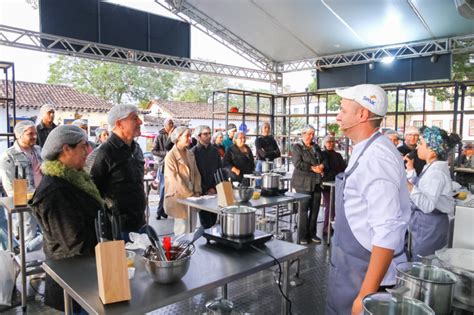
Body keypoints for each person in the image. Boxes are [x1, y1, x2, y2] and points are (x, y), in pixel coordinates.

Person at [325, 84, 410, 315]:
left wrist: (365, 295)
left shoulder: (377, 158)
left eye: (343, 110)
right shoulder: (365, 149)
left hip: (365, 276)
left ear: (362, 114)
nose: (338, 116)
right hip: (351, 269)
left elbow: (387, 231)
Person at [29, 125, 102, 312]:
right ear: (66, 149)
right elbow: (72, 242)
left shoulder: (74, 179)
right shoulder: (56, 190)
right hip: (73, 279)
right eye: (83, 146)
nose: (88, 151)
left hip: (85, 273)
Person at [89, 105, 146, 241]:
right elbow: (92, 191)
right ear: (119, 124)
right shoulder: (103, 153)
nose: (140, 122)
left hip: (139, 222)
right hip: (117, 228)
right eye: (134, 118)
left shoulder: (136, 149)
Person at [405, 126, 460, 261]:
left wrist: (406, 184)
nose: (417, 147)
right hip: (427, 226)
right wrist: (411, 170)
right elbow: (422, 188)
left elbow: (428, 205)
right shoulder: (430, 167)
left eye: (421, 144)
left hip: (430, 228)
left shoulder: (436, 173)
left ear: (433, 151)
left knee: (423, 266)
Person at [0, 120, 43, 252]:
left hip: (42, 198)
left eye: (35, 133)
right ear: (19, 135)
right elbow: (9, 185)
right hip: (24, 200)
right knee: (28, 234)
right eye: (30, 134)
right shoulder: (9, 155)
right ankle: (26, 265)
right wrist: (21, 201)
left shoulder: (38, 150)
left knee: (47, 232)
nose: (34, 136)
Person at [291, 125, 327, 245]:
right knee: (303, 209)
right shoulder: (297, 147)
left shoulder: (315, 146)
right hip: (302, 183)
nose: (311, 136)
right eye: (309, 134)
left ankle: (312, 234)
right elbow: (298, 163)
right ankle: (302, 235)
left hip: (316, 182)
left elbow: (324, 159)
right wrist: (312, 168)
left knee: (315, 209)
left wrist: (321, 166)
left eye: (313, 134)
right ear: (303, 134)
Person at [164, 127, 202, 236]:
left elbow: (196, 173)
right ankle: (179, 252)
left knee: (192, 228)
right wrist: (190, 194)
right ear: (178, 137)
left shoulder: (190, 154)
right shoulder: (170, 156)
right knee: (182, 229)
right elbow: (175, 180)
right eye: (187, 136)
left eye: (190, 136)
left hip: (193, 195)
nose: (190, 138)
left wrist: (197, 191)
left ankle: (190, 252)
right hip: (179, 197)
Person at [191, 125, 222, 228]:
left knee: (214, 219)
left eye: (209, 133)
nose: (208, 136)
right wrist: (204, 190)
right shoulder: (193, 152)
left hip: (214, 190)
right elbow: (194, 174)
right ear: (199, 136)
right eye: (205, 134)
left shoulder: (214, 151)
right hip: (201, 191)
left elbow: (219, 170)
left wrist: (214, 188)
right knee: (205, 222)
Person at [321, 134, 346, 236]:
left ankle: (333, 226)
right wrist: (336, 174)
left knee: (336, 206)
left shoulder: (338, 155)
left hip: (338, 183)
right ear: (324, 143)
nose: (330, 144)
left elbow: (343, 168)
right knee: (329, 206)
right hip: (327, 184)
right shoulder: (322, 154)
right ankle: (326, 227)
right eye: (328, 142)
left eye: (332, 142)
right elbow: (325, 170)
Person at [152, 118, 174, 220]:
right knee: (163, 189)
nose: (172, 125)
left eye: (172, 123)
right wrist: (166, 154)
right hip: (164, 165)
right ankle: (159, 211)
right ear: (165, 125)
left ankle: (165, 211)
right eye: (170, 123)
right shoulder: (159, 136)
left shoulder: (174, 135)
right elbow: (154, 150)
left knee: (170, 190)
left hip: (173, 165)